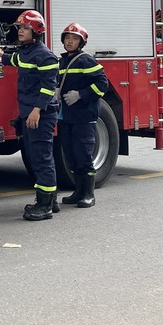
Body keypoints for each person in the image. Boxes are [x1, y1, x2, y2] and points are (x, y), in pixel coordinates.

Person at [0, 10, 59, 221]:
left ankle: (45, 206)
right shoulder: (27, 52)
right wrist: (1, 55)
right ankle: (51, 200)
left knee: (41, 158)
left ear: (36, 31)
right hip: (29, 113)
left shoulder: (45, 56)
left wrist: (37, 110)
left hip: (40, 115)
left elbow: (49, 88)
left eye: (25, 28)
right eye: (19, 27)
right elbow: (17, 61)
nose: (20, 31)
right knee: (35, 157)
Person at [57, 22, 109, 208]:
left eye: (74, 38)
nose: (70, 41)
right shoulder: (63, 61)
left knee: (83, 154)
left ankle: (89, 194)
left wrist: (80, 95)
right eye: (67, 38)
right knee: (71, 155)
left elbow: (102, 84)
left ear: (81, 42)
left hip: (83, 117)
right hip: (66, 116)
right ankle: (78, 192)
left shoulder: (85, 60)